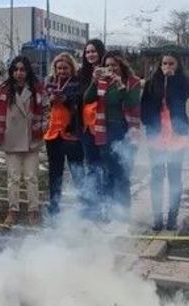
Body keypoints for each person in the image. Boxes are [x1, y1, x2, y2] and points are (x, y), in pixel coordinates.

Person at [83, 50, 142, 222]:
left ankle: (123, 214)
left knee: (122, 175)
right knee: (108, 174)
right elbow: (87, 99)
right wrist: (94, 81)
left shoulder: (133, 82)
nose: (111, 69)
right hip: (105, 131)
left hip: (125, 132)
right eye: (107, 65)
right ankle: (109, 213)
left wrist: (120, 86)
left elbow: (131, 103)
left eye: (114, 65)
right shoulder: (102, 82)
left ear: (121, 65)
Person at [0, 56, 47, 226]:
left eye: (22, 69)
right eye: (16, 69)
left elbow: (46, 110)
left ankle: (33, 210)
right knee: (13, 178)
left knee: (31, 177)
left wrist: (43, 126)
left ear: (28, 70)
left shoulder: (37, 89)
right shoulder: (4, 89)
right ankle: (13, 210)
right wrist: (0, 128)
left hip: (32, 138)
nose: (19, 73)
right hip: (11, 138)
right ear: (11, 71)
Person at [141, 53, 189, 231]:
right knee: (156, 176)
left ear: (177, 65)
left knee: (174, 177)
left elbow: (178, 101)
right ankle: (157, 217)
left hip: (176, 135)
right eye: (164, 63)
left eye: (171, 63)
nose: (167, 66)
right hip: (157, 135)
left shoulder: (184, 82)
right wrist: (150, 127)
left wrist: (170, 82)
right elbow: (145, 108)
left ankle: (172, 217)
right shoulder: (150, 83)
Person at [44, 52, 83, 217]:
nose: (62, 71)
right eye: (59, 68)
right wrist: (51, 99)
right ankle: (54, 205)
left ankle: (85, 205)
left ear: (72, 68)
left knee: (77, 172)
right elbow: (44, 103)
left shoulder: (77, 82)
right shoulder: (49, 82)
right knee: (55, 173)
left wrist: (66, 99)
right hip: (53, 134)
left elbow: (80, 103)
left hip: (71, 134)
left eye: (65, 68)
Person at [77, 39, 106, 217]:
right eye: (87, 52)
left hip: (104, 127)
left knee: (105, 168)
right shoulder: (82, 74)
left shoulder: (108, 70)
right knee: (91, 167)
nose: (90, 55)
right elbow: (83, 98)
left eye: (93, 51)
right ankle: (91, 208)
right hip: (87, 128)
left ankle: (108, 207)